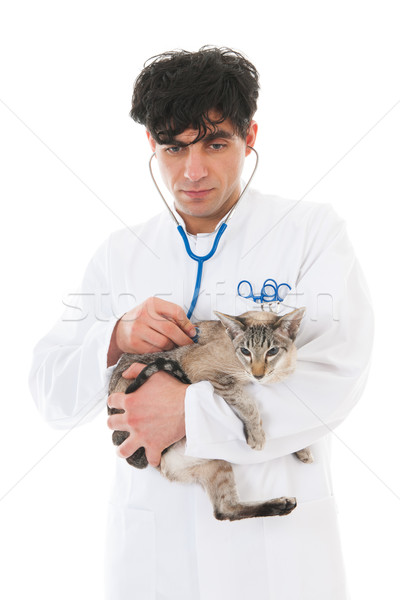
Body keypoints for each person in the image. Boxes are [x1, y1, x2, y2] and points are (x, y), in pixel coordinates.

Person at [29, 47, 373, 600]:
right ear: (152, 145)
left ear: (250, 136)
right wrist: (114, 337)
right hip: (151, 557)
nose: (193, 171)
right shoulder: (120, 252)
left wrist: (185, 411)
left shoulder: (309, 232)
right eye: (174, 147)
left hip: (277, 558)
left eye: (216, 144)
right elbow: (49, 396)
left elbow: (336, 378)